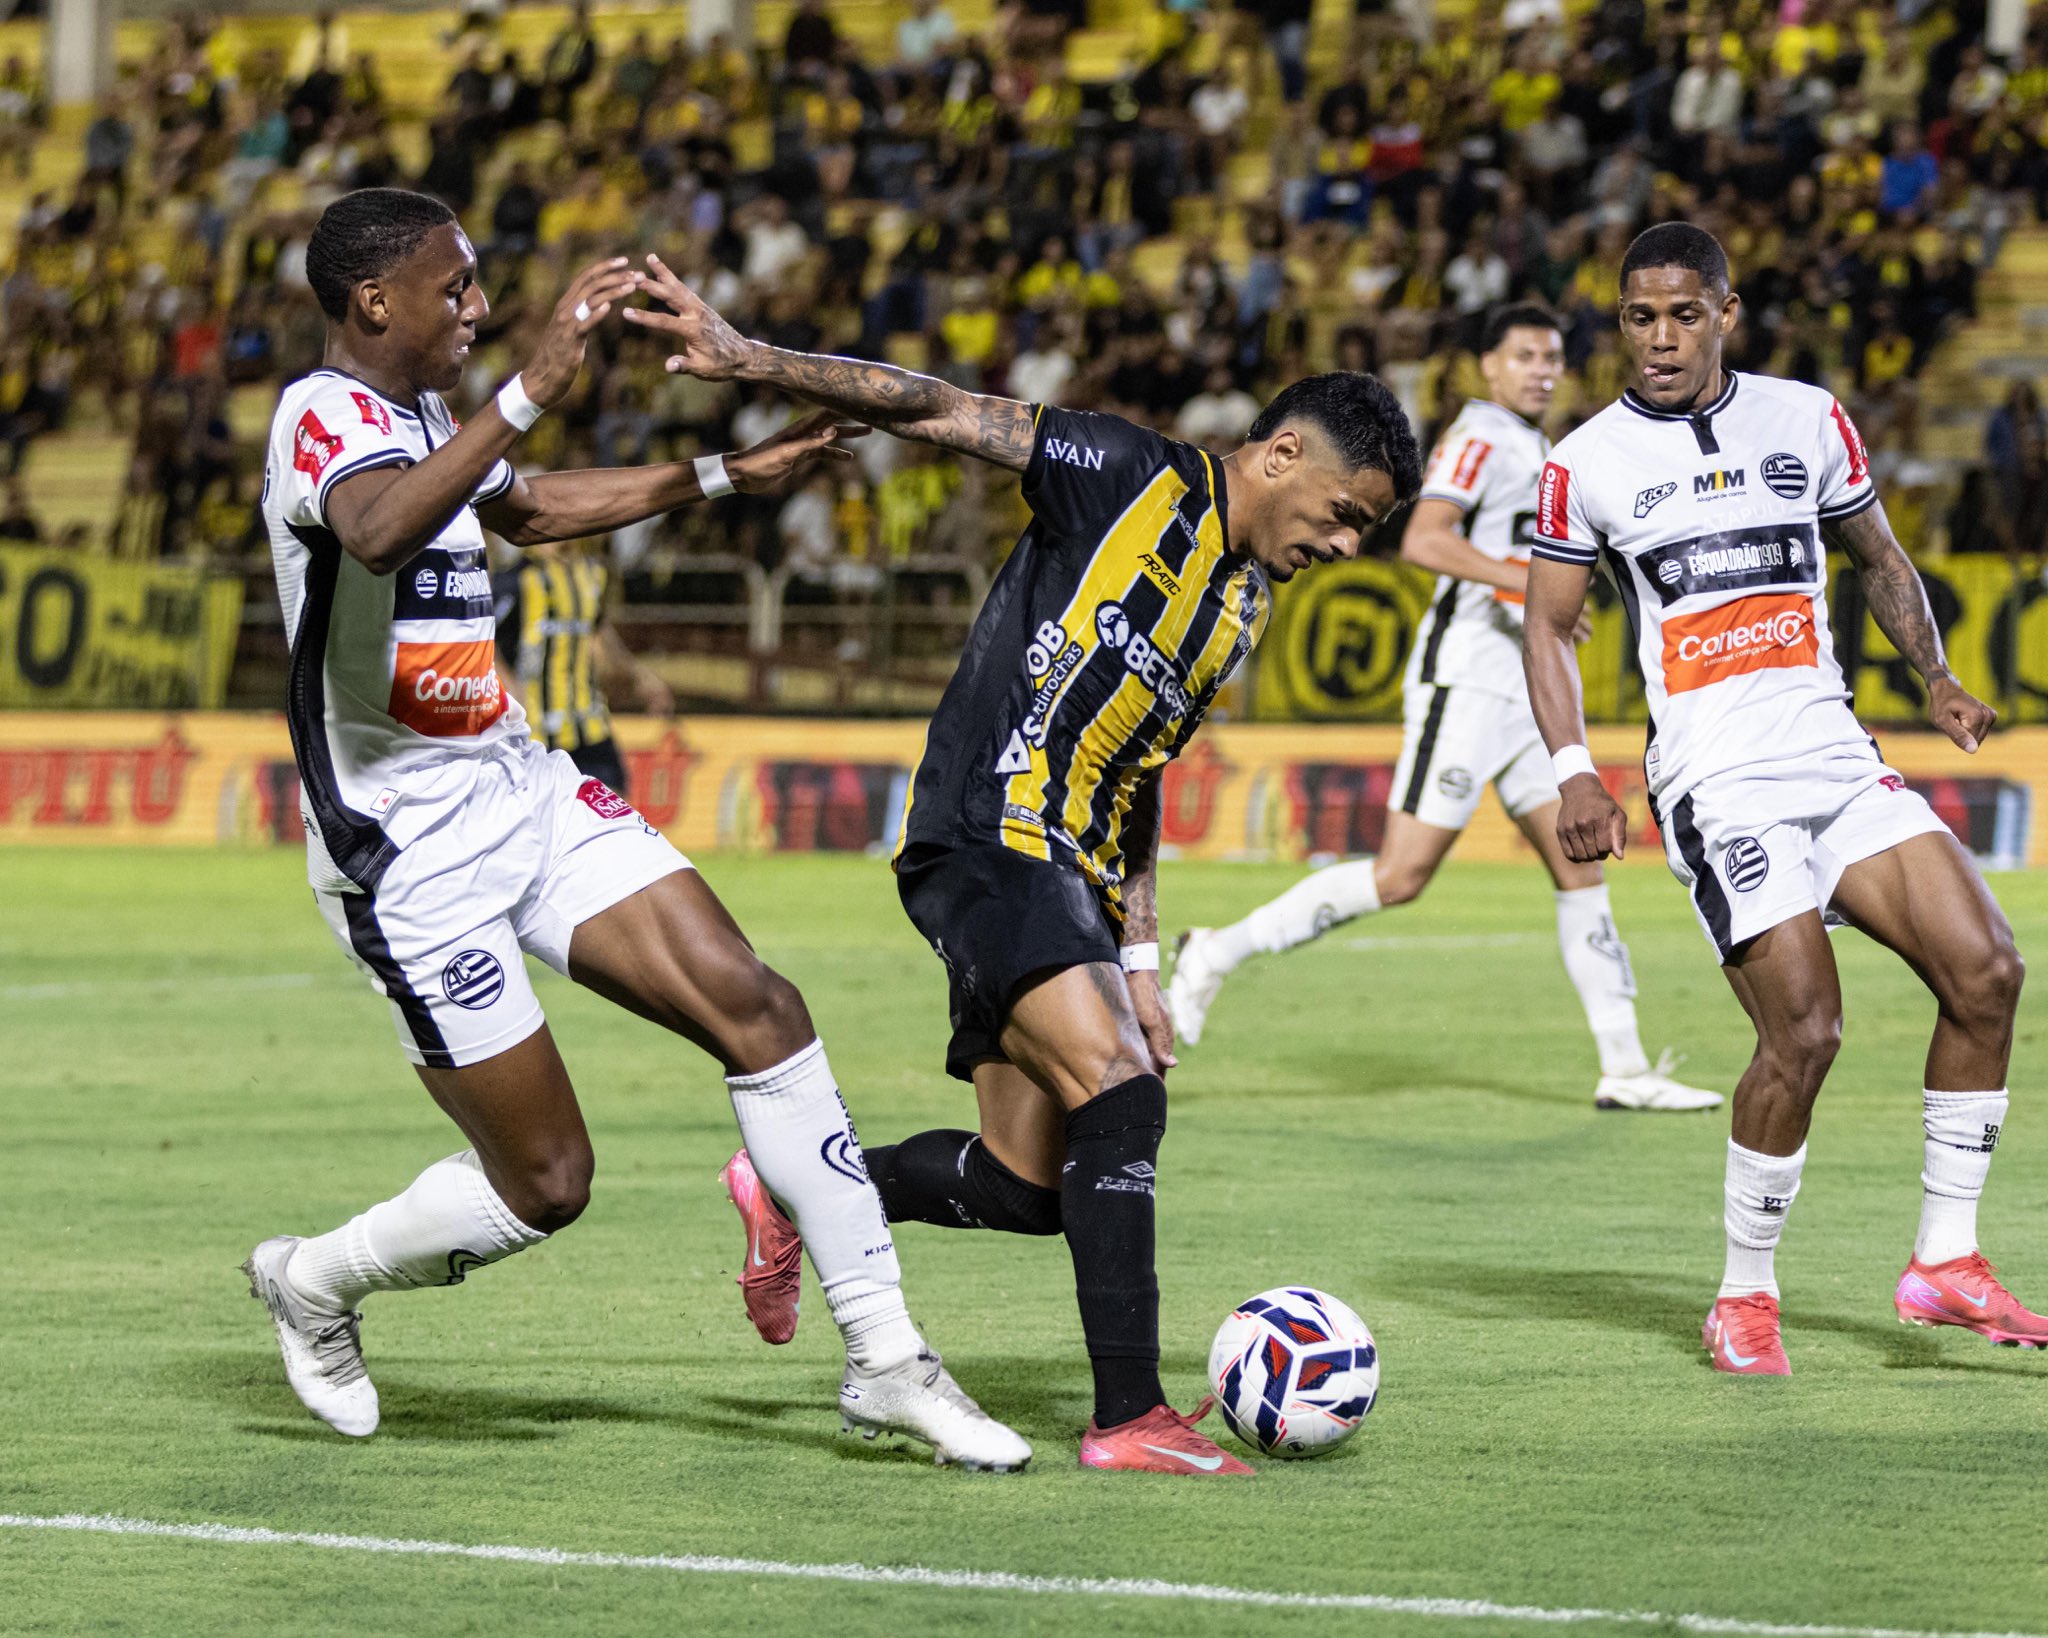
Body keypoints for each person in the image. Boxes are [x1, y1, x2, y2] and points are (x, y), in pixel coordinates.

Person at [245, 188, 1029, 1473]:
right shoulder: (315, 418)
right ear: (372, 300)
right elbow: (379, 533)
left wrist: (727, 472)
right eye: (456, 290)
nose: (480, 308)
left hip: (521, 789)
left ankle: (886, 1359)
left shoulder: (427, 413)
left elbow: (530, 508)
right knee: (547, 1185)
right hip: (408, 856)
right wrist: (535, 382)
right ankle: (316, 1283)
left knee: (759, 1007)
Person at [626, 263, 1422, 1473]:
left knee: (1028, 1185)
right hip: (988, 833)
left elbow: (1141, 772)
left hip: (1072, 880)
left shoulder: (1240, 611)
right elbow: (935, 404)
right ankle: (1126, 1417)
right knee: (1122, 1094)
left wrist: (1139, 958)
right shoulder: (1123, 470)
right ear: (1277, 454)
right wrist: (750, 358)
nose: (1346, 542)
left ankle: (794, 1190)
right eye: (1345, 510)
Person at [1524, 222, 2043, 1376]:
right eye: (1636, 317)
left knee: (1986, 970)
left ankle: (1943, 1264)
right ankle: (1742, 1294)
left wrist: (1937, 678)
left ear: (1724, 312)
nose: (1658, 338)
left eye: (1681, 314)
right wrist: (1574, 771)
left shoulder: (1804, 417)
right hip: (1716, 780)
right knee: (1803, 1029)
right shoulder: (1583, 460)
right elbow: (1547, 625)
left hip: (1831, 751)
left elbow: (1877, 555)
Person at [1169, 305, 1720, 1114]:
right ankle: (1214, 951)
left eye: (1553, 356)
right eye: (1525, 353)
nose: (1542, 369)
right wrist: (1523, 581)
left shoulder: (1536, 446)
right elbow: (1425, 539)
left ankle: (1625, 1067)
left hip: (1523, 688)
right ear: (1488, 366)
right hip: (1466, 682)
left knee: (1579, 867)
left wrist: (1552, 596)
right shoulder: (1481, 434)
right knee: (1400, 877)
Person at [493, 538, 672, 799]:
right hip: (536, 729)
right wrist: (509, 686)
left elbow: (600, 640)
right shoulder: (517, 578)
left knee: (615, 812)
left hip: (589, 723)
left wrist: (643, 678)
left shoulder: (590, 574)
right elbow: (484, 640)